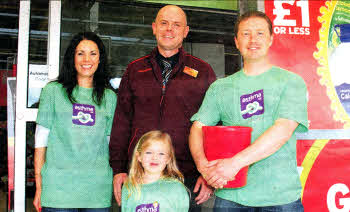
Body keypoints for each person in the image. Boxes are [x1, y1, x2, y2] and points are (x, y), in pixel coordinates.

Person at [189, 11, 308, 211]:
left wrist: (234, 165)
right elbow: (197, 129)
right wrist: (204, 168)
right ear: (236, 41)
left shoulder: (291, 81)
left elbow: (282, 130)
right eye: (246, 34)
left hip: (280, 196)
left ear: (271, 39)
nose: (253, 39)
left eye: (260, 33)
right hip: (231, 196)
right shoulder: (220, 87)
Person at [109, 4, 216, 211]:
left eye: (176, 25)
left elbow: (212, 126)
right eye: (164, 23)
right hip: (141, 174)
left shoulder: (202, 71)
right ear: (154, 27)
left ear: (185, 31)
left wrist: (207, 172)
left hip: (188, 176)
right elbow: (121, 121)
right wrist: (119, 168)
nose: (169, 29)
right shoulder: (135, 70)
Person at [33, 32, 117, 212]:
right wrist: (39, 186)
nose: (87, 59)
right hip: (58, 189)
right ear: (72, 57)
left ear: (100, 59)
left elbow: (112, 145)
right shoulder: (53, 92)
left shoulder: (110, 97)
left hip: (97, 189)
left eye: (93, 53)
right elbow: (41, 142)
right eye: (80, 53)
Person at [121, 130, 189, 212]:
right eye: (149, 152)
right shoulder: (129, 186)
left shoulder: (177, 188)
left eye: (161, 153)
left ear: (168, 159)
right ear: (139, 156)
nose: (154, 158)